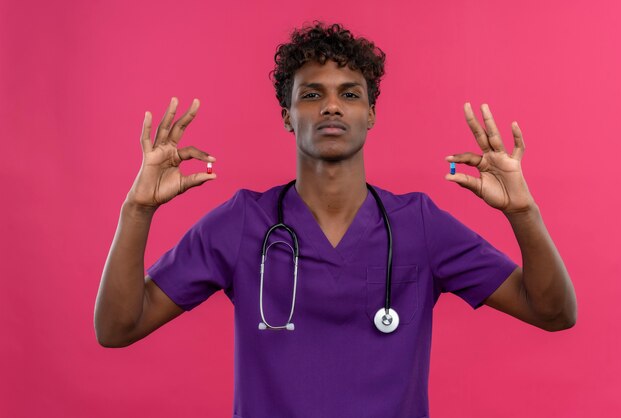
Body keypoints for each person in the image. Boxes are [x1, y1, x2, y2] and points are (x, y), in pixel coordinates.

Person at [94, 22, 577, 418]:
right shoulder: (243, 223)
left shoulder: (419, 225)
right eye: (311, 95)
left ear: (370, 114)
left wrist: (524, 214)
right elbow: (117, 328)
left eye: (349, 94)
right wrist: (137, 210)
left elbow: (553, 313)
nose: (330, 106)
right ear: (287, 115)